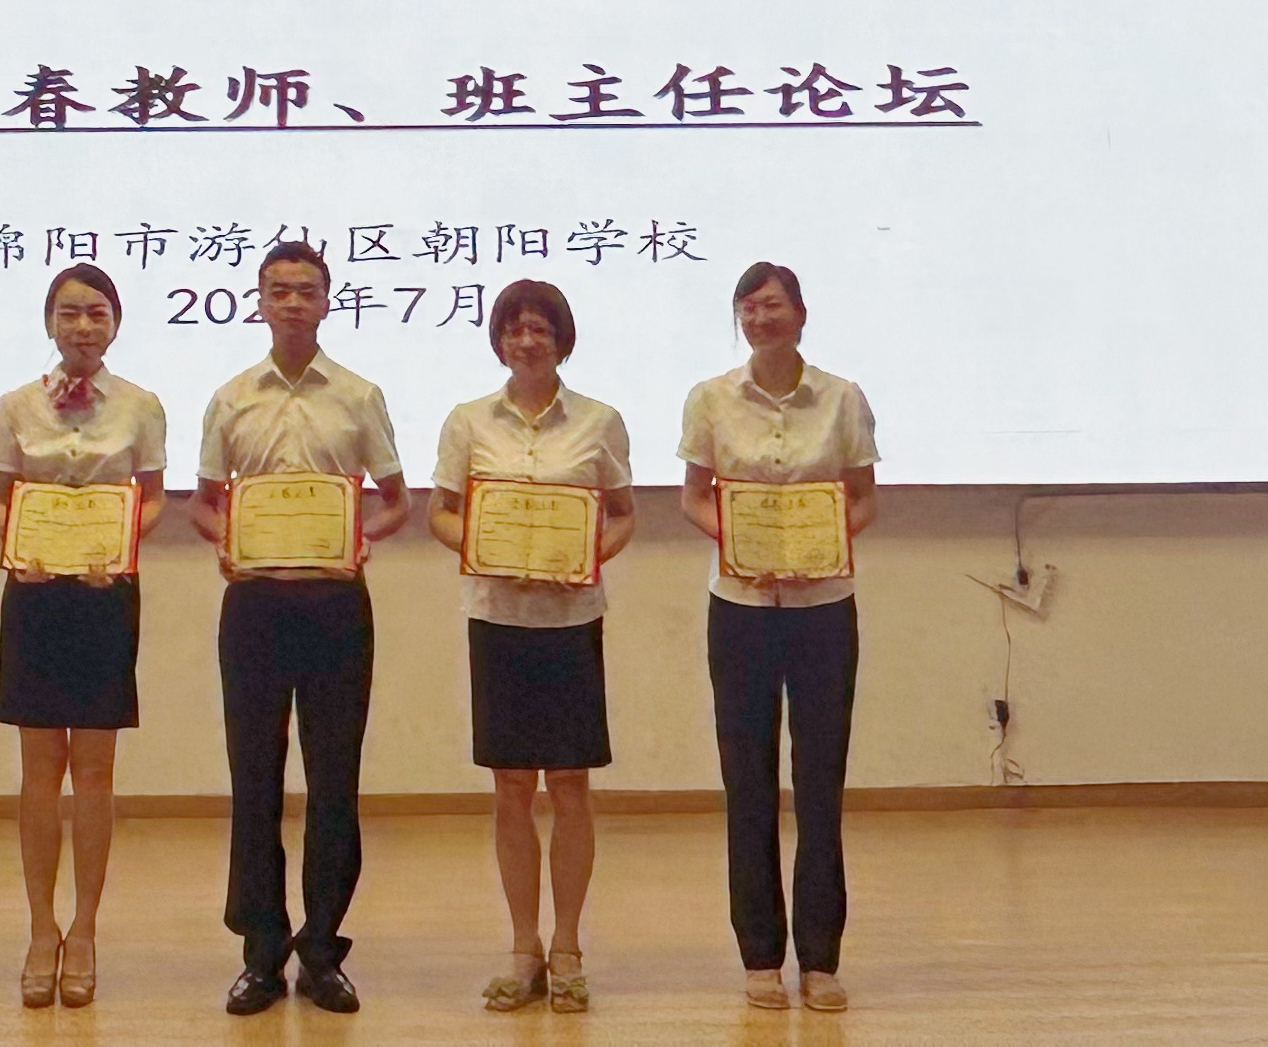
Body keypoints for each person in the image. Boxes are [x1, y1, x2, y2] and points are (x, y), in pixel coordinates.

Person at [191, 240, 408, 1015]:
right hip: (253, 606)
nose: (291, 302)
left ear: (327, 302)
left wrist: (359, 539)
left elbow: (396, 501)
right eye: (278, 290)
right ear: (259, 301)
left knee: (333, 780)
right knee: (254, 780)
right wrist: (226, 539)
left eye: (305, 290)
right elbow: (204, 502)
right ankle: (260, 951)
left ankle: (321, 950)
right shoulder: (230, 398)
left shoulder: (358, 395)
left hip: (335, 606)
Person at [428, 277, 634, 1017]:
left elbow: (621, 515)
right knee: (512, 786)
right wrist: (486, 549)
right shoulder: (468, 421)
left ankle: (568, 946)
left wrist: (580, 557)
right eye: (514, 328)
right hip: (498, 618)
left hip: (571, 620)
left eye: (540, 328)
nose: (526, 340)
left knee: (571, 784)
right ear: (499, 340)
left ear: (561, 338)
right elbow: (441, 513)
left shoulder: (600, 421)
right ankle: (523, 948)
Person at [679, 260, 880, 1015]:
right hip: (739, 606)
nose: (760, 318)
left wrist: (821, 545)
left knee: (821, 783)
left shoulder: (842, 397)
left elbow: (863, 498)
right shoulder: (709, 398)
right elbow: (695, 498)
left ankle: (820, 960)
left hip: (824, 605)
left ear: (800, 313)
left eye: (772, 305)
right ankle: (760, 956)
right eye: (748, 308)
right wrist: (737, 541)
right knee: (748, 782)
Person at [0, 261, 168, 1009]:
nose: (83, 326)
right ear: (49, 323)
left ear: (115, 323)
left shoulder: (142, 406)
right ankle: (39, 929)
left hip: (103, 596)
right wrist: (18, 545)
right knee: (38, 769)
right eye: (69, 313)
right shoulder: (15, 405)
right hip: (33, 596)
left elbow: (152, 499)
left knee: (93, 770)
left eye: (96, 313)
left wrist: (117, 549)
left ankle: (84, 929)